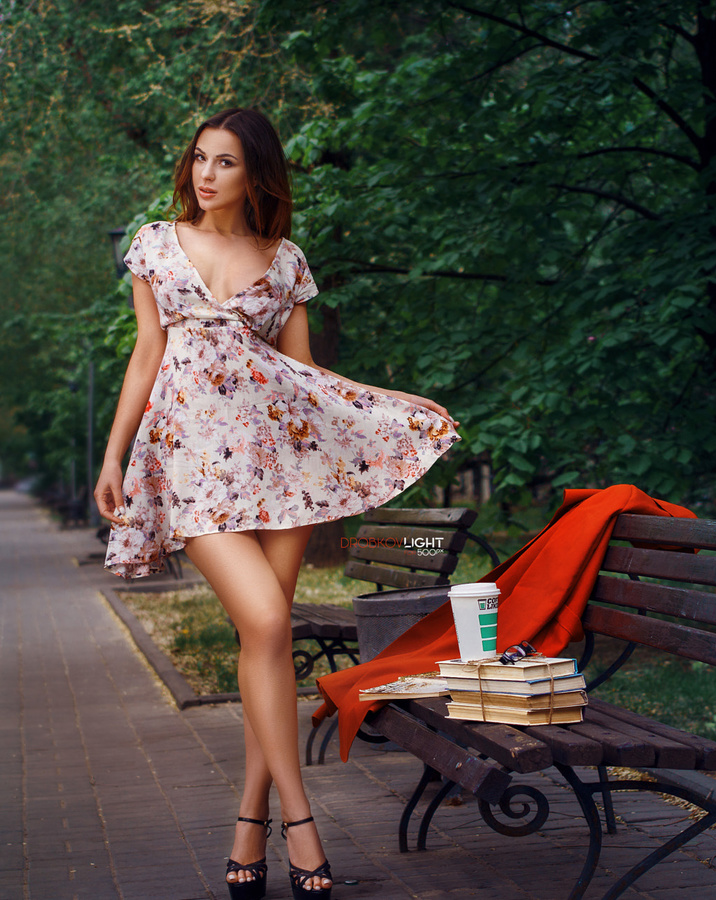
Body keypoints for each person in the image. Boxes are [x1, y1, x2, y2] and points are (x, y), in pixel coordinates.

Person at [95, 108, 460, 900]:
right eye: (199, 158)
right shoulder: (157, 245)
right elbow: (145, 355)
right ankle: (305, 829)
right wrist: (114, 453)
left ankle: (246, 828)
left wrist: (388, 400)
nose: (206, 173)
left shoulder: (285, 261)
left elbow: (309, 383)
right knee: (265, 623)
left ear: (256, 174)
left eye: (225, 162)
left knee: (264, 642)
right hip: (191, 465)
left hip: (280, 472)